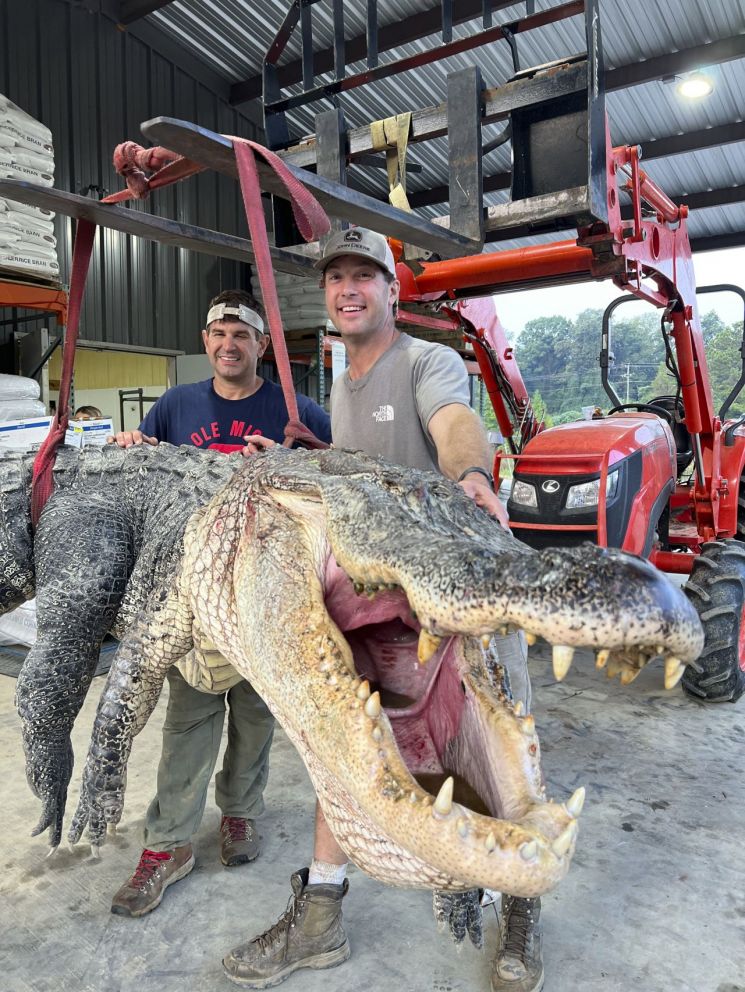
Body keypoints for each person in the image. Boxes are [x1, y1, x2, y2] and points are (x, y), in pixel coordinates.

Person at [223, 231, 540, 992]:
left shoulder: (426, 361)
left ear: (392, 291)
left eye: (364, 275)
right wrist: (296, 460)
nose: (348, 288)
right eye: (336, 277)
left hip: (456, 596)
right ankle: (320, 917)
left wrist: (471, 475)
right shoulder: (343, 379)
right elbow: (364, 476)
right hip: (386, 609)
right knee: (347, 746)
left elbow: (452, 420)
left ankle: (521, 904)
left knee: (491, 760)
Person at [109, 289, 331, 919]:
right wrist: (132, 446)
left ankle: (240, 813)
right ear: (205, 341)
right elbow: (147, 474)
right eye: (219, 334)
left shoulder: (297, 411)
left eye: (241, 335)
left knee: (257, 715)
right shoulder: (176, 406)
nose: (229, 345)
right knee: (188, 717)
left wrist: (289, 462)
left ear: (261, 344)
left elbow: (338, 477)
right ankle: (168, 843)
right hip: (196, 591)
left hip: (267, 590)